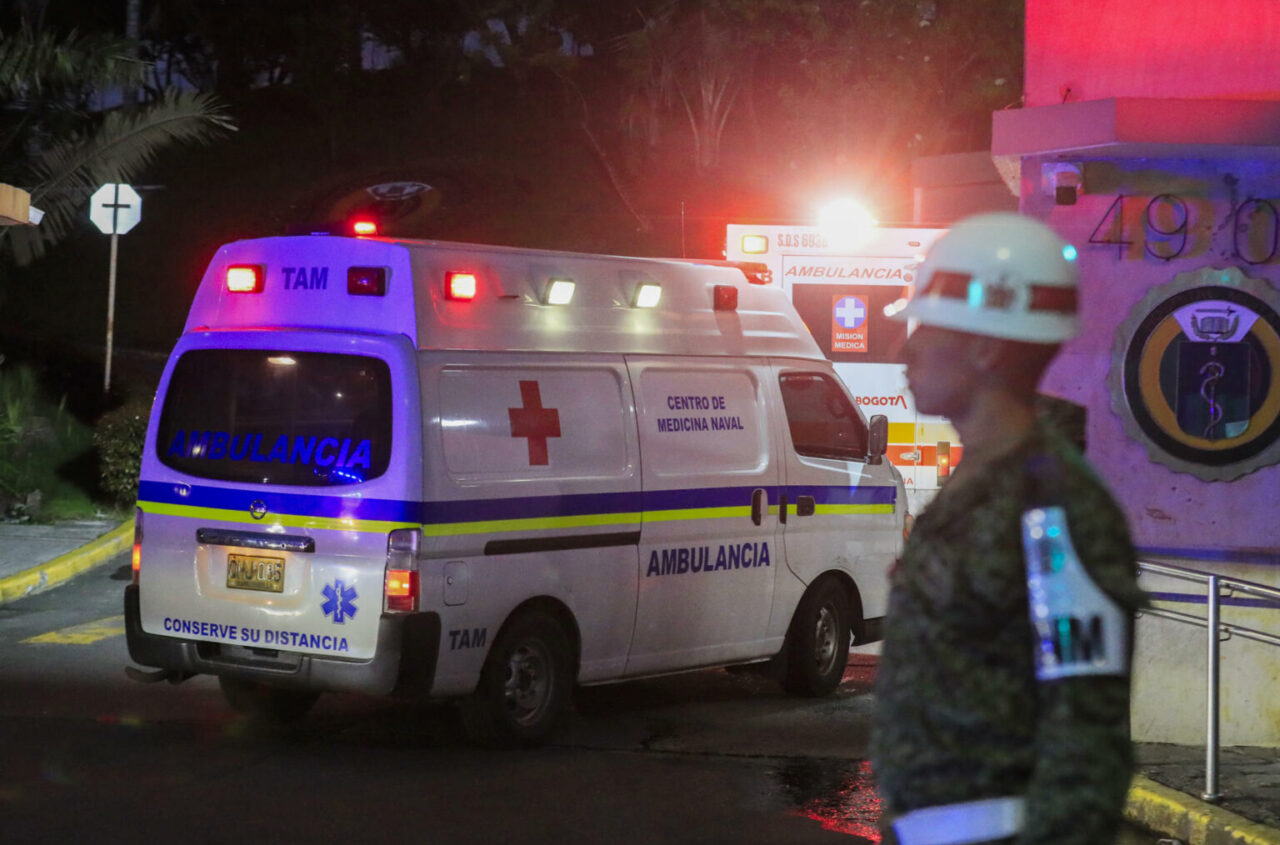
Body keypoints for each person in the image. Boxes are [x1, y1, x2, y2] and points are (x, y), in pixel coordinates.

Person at [871, 212, 1147, 845]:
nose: (903, 351)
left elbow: (1086, 733)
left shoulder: (1054, 505)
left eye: (925, 330)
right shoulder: (981, 480)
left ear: (986, 349)